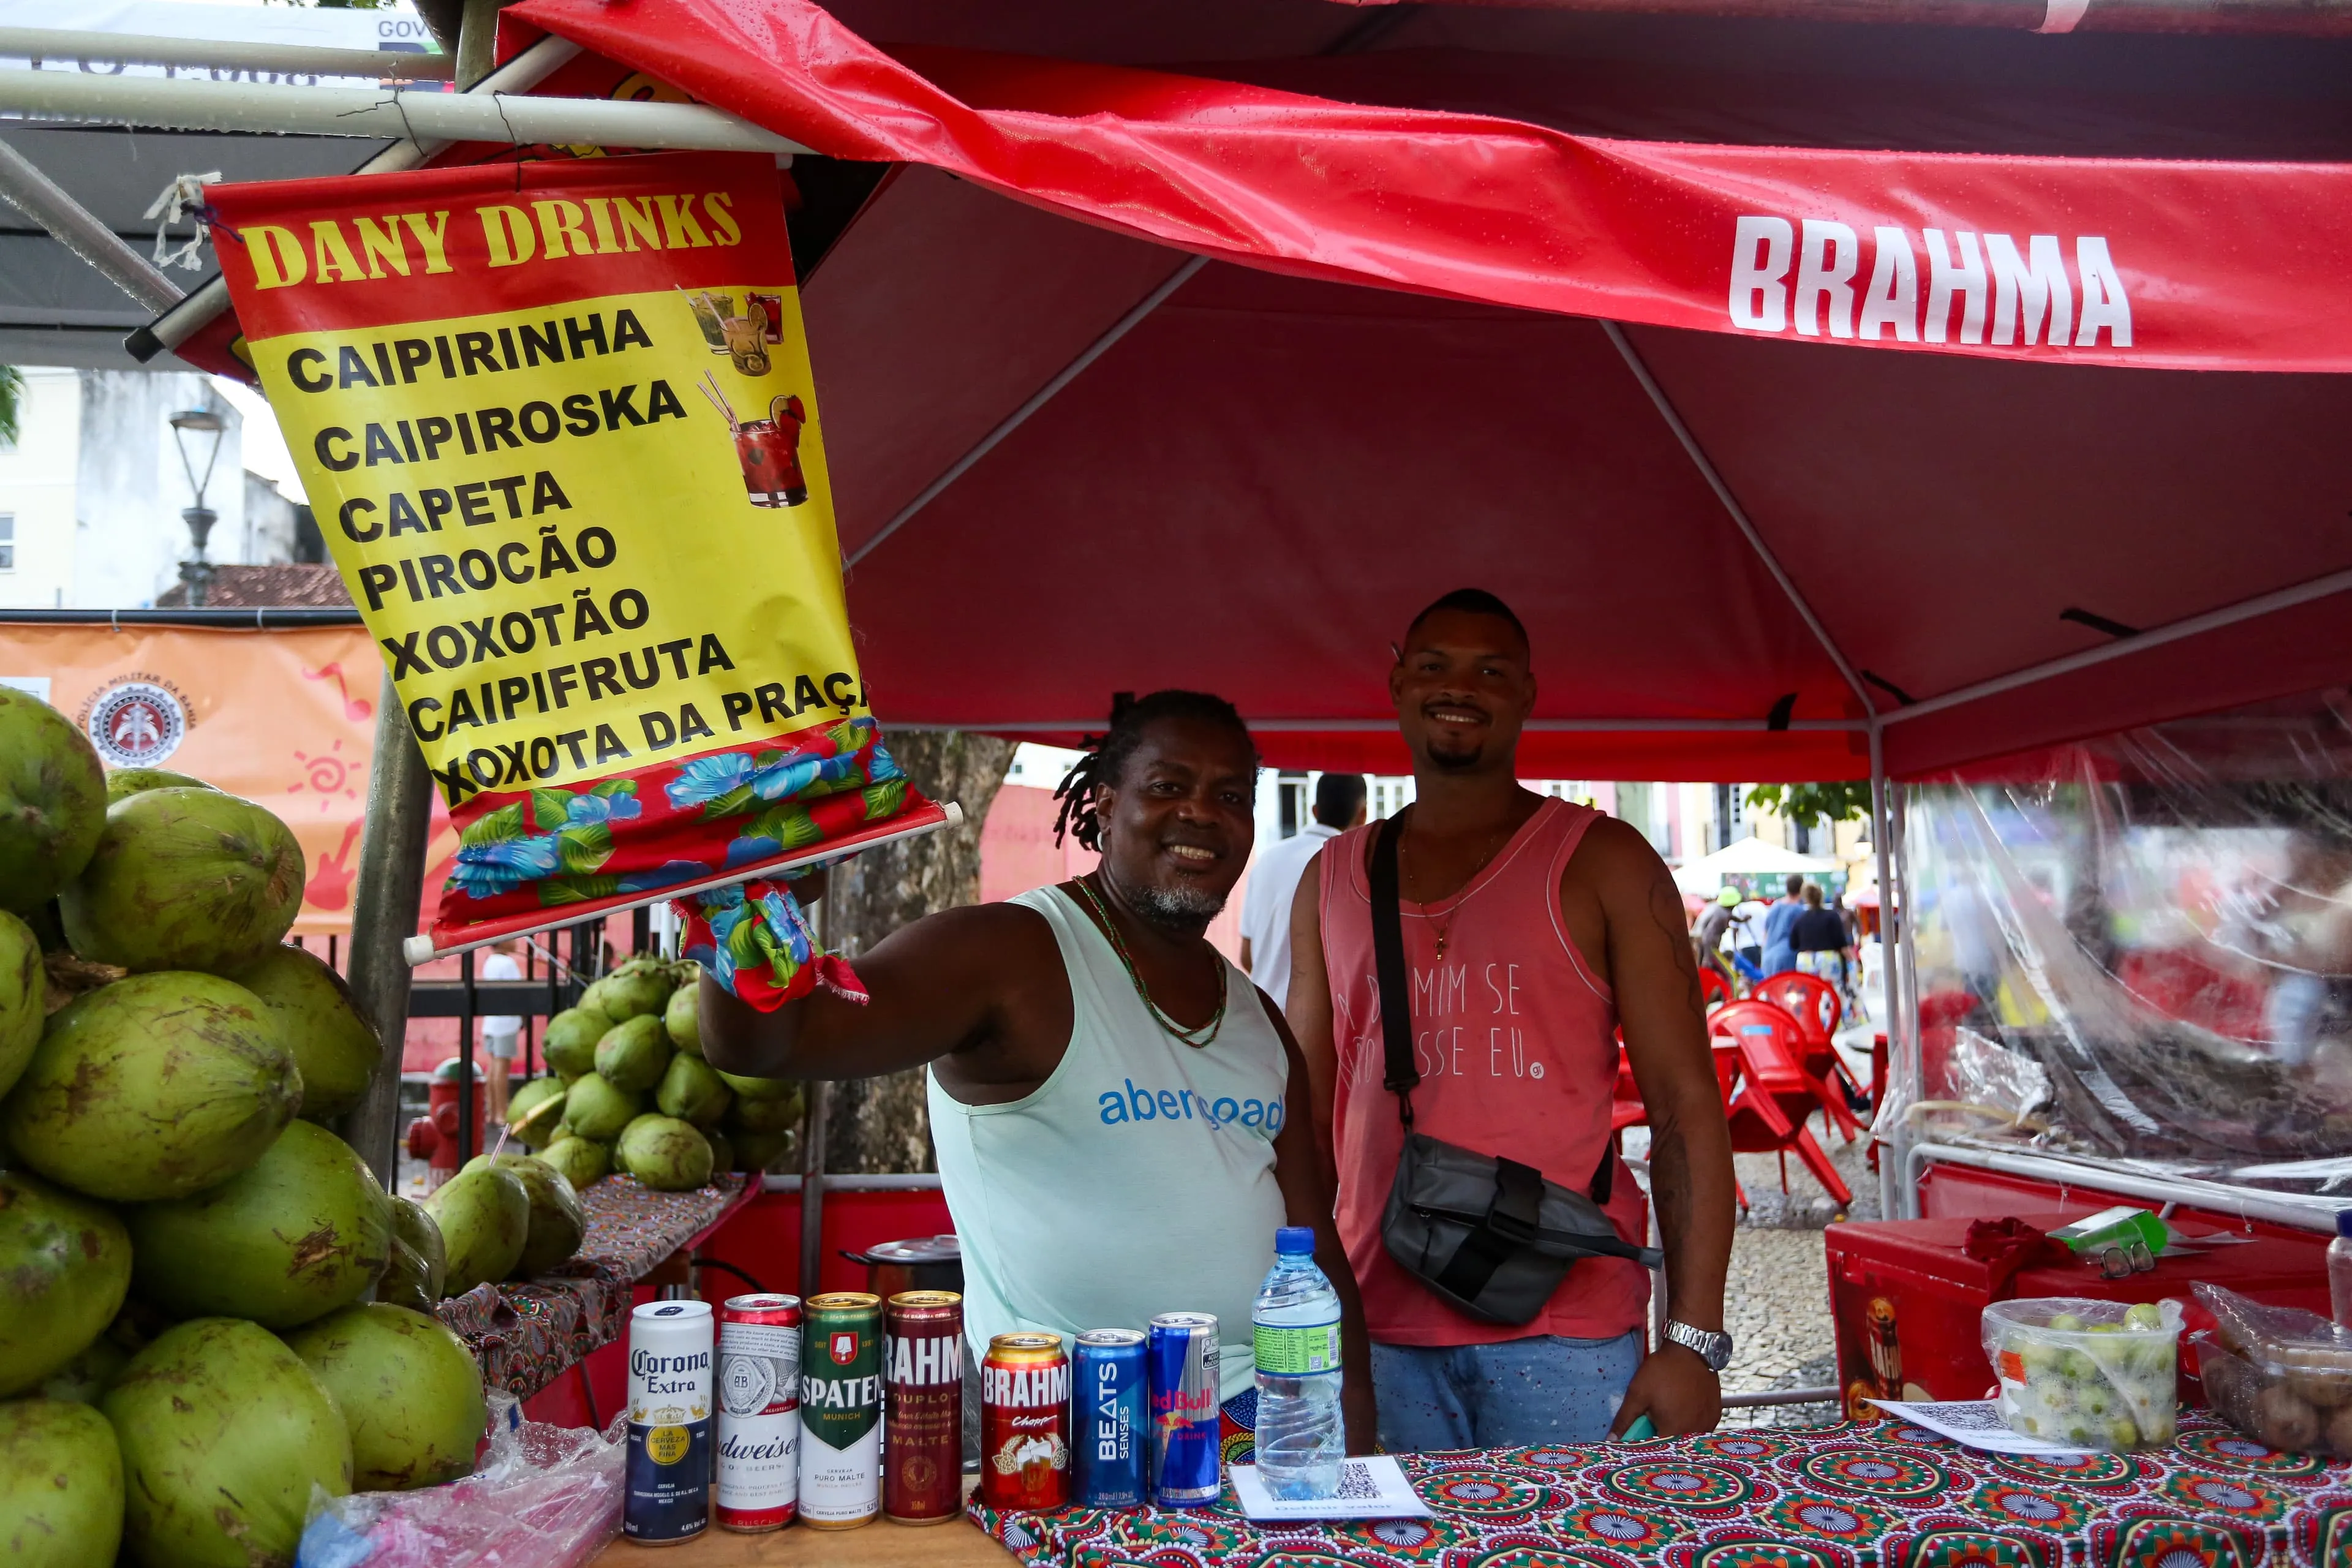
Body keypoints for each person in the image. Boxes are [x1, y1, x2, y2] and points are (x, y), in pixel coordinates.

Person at [698, 690, 1376, 1455]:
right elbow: (768, 1044)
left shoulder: (1259, 1019)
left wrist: (1355, 1443)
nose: (1201, 813)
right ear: (1101, 803)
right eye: (1167, 786)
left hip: (1262, 1435)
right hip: (1068, 1441)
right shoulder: (1011, 953)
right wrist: (746, 893)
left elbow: (1314, 1253)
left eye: (1231, 796)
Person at [1287, 589, 1738, 1450]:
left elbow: (1685, 1107)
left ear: (1528, 694)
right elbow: (1305, 1121)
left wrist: (1692, 1341)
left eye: (1490, 671)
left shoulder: (1607, 862)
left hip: (1568, 1334)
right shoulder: (1333, 877)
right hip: (1377, 1332)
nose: (1461, 688)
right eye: (1434, 666)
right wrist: (1304, 1320)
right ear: (1396, 683)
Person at [1240, 773, 1366, 1012]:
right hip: (1318, 1026)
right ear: (1363, 815)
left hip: (1262, 1019)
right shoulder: (1350, 867)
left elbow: (1247, 956)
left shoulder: (1267, 860)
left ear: (1315, 811)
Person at [477, 938, 524, 1122]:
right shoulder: (508, 963)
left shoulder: (491, 961)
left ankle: (492, 1110)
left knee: (493, 1067)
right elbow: (517, 992)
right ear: (502, 943)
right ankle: (501, 1114)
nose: (515, 941)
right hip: (506, 1022)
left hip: (492, 1022)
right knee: (501, 1068)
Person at [1790, 884, 1855, 988]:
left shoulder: (1800, 919)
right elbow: (1842, 944)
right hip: (1828, 961)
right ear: (1821, 897)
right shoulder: (1832, 916)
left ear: (1806, 898)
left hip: (1806, 962)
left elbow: (1793, 944)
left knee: (1810, 993)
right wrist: (1852, 962)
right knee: (1831, 993)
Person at [1692, 886, 1740, 987]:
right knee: (1731, 977)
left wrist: (1742, 920)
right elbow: (1708, 936)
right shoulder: (1723, 915)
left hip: (1699, 946)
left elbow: (1731, 917)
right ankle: (1733, 1001)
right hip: (1710, 949)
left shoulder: (1714, 908)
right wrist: (1707, 958)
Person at [1761, 873, 1804, 978]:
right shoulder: (1799, 910)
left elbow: (1765, 933)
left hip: (1768, 956)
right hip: (1788, 957)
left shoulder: (1775, 906)